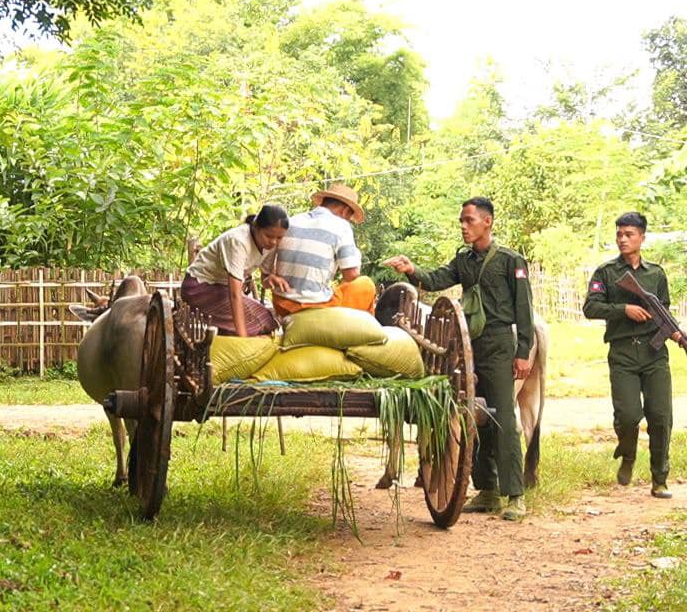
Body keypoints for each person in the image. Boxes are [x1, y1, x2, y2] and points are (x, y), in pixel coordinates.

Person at [383, 197, 535, 521]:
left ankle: (515, 494)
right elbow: (437, 279)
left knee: (504, 417)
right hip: (469, 345)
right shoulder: (463, 260)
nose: (464, 227)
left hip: (498, 344)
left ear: (487, 222)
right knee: (470, 414)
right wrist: (411, 270)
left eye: (469, 221)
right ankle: (488, 489)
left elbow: (524, 310)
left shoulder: (511, 260)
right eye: (461, 222)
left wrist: (523, 353)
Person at [582, 212, 687, 499]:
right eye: (619, 234)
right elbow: (590, 307)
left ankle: (659, 479)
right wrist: (623, 310)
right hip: (623, 352)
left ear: (642, 237)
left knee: (661, 416)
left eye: (629, 234)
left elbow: (663, 313)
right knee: (628, 415)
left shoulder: (656, 274)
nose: (622, 239)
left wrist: (678, 336)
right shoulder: (606, 272)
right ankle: (627, 454)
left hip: (655, 354)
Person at [267, 183, 376, 318]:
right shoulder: (341, 226)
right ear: (345, 211)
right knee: (365, 285)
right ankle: (362, 334)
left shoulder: (292, 220)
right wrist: (356, 255)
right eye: (349, 217)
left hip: (282, 304)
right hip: (315, 308)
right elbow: (351, 274)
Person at [181, 205, 289, 336]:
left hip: (222, 290)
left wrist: (270, 279)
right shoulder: (238, 241)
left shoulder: (270, 247)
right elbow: (235, 295)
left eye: (279, 238)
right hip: (199, 288)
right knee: (253, 325)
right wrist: (242, 338)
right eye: (268, 236)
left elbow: (265, 282)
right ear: (256, 227)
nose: (273, 242)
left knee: (267, 319)